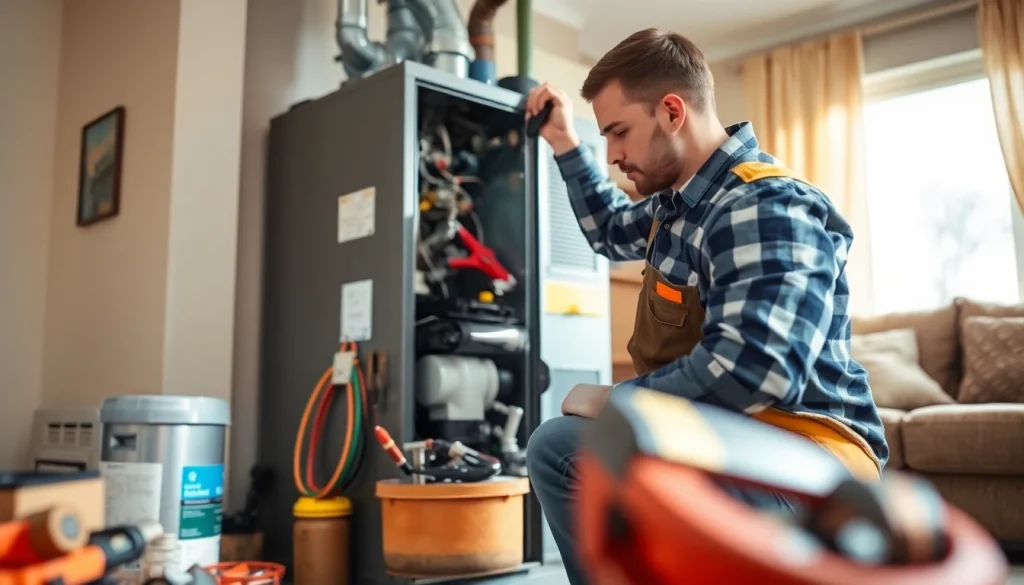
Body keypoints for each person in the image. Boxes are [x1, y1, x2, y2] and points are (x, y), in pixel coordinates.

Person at [523, 28, 889, 585]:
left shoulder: (763, 205)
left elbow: (754, 369)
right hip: (728, 439)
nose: (614, 154)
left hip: (810, 464)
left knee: (568, 444)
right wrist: (564, 142)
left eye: (618, 132)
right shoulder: (677, 206)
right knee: (562, 447)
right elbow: (607, 230)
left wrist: (616, 400)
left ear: (672, 111)